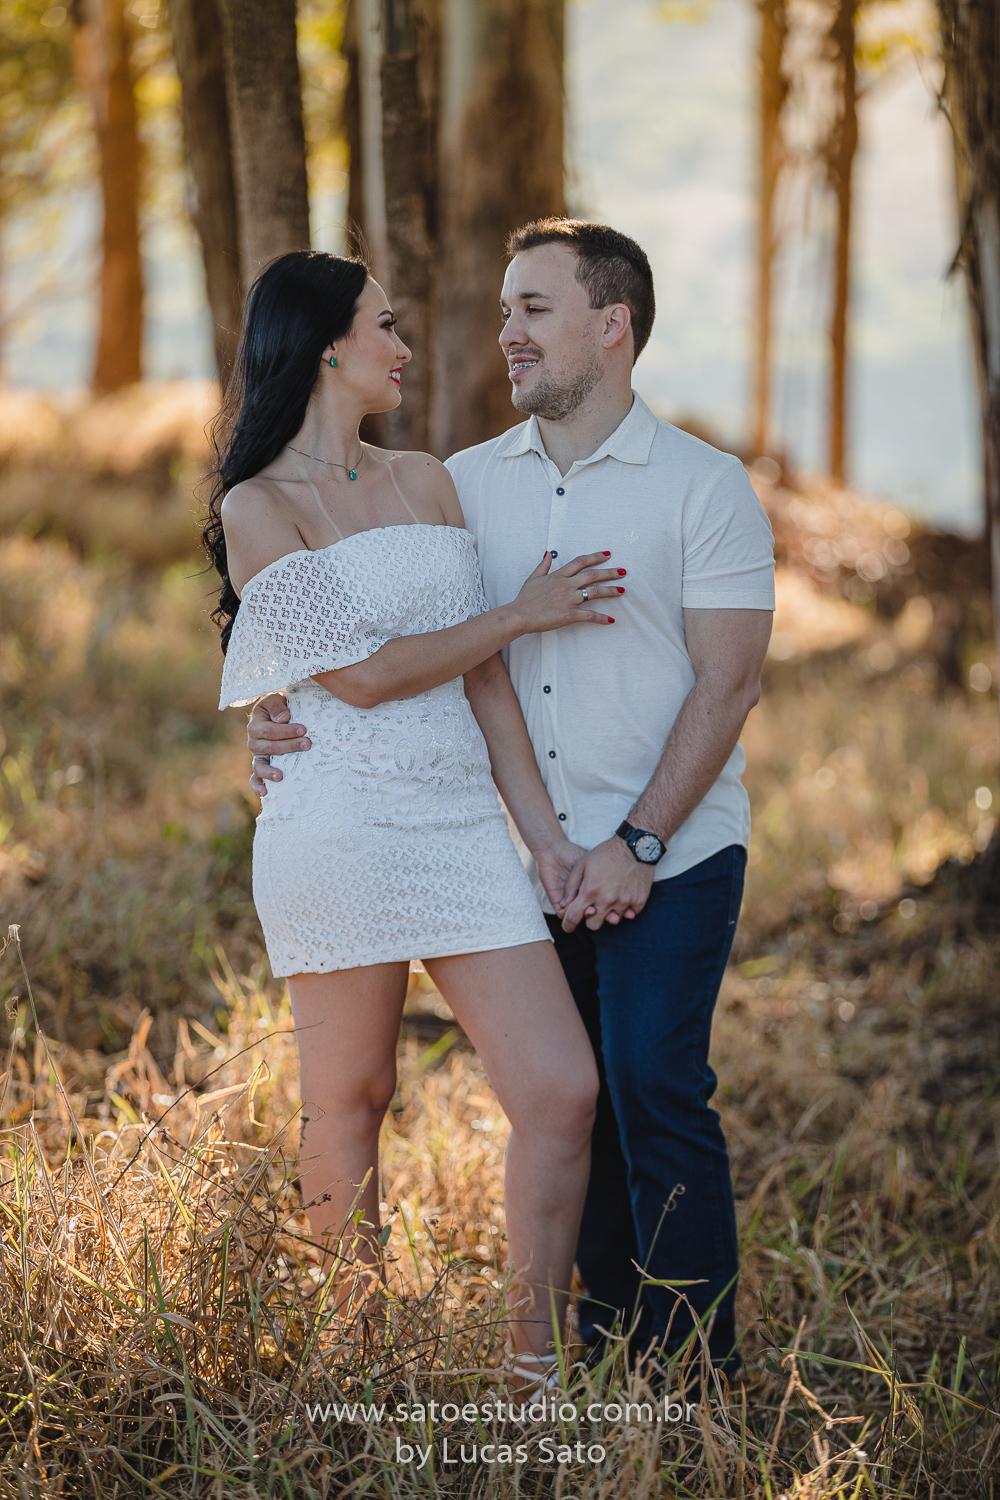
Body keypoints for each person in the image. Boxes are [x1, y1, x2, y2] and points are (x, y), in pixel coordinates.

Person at [248, 221, 775, 1376]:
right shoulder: (461, 481)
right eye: (502, 310)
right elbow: (371, 647)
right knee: (463, 1094)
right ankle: (493, 1356)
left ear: (610, 324)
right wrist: (277, 710)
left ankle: (669, 1373)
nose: (502, 334)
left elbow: (728, 681)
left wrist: (616, 840)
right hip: (454, 842)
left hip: (638, 847)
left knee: (630, 1085)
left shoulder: (698, 485)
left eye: (530, 309)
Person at [207, 248, 619, 1383]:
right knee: (353, 1097)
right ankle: (357, 1367)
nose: (404, 347)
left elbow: (483, 687)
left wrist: (541, 839)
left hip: (457, 829)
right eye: (385, 327)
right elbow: (362, 678)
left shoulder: (428, 479)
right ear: (329, 345)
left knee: (561, 1089)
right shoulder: (257, 506)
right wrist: (521, 613)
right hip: (335, 826)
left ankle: (530, 1364)